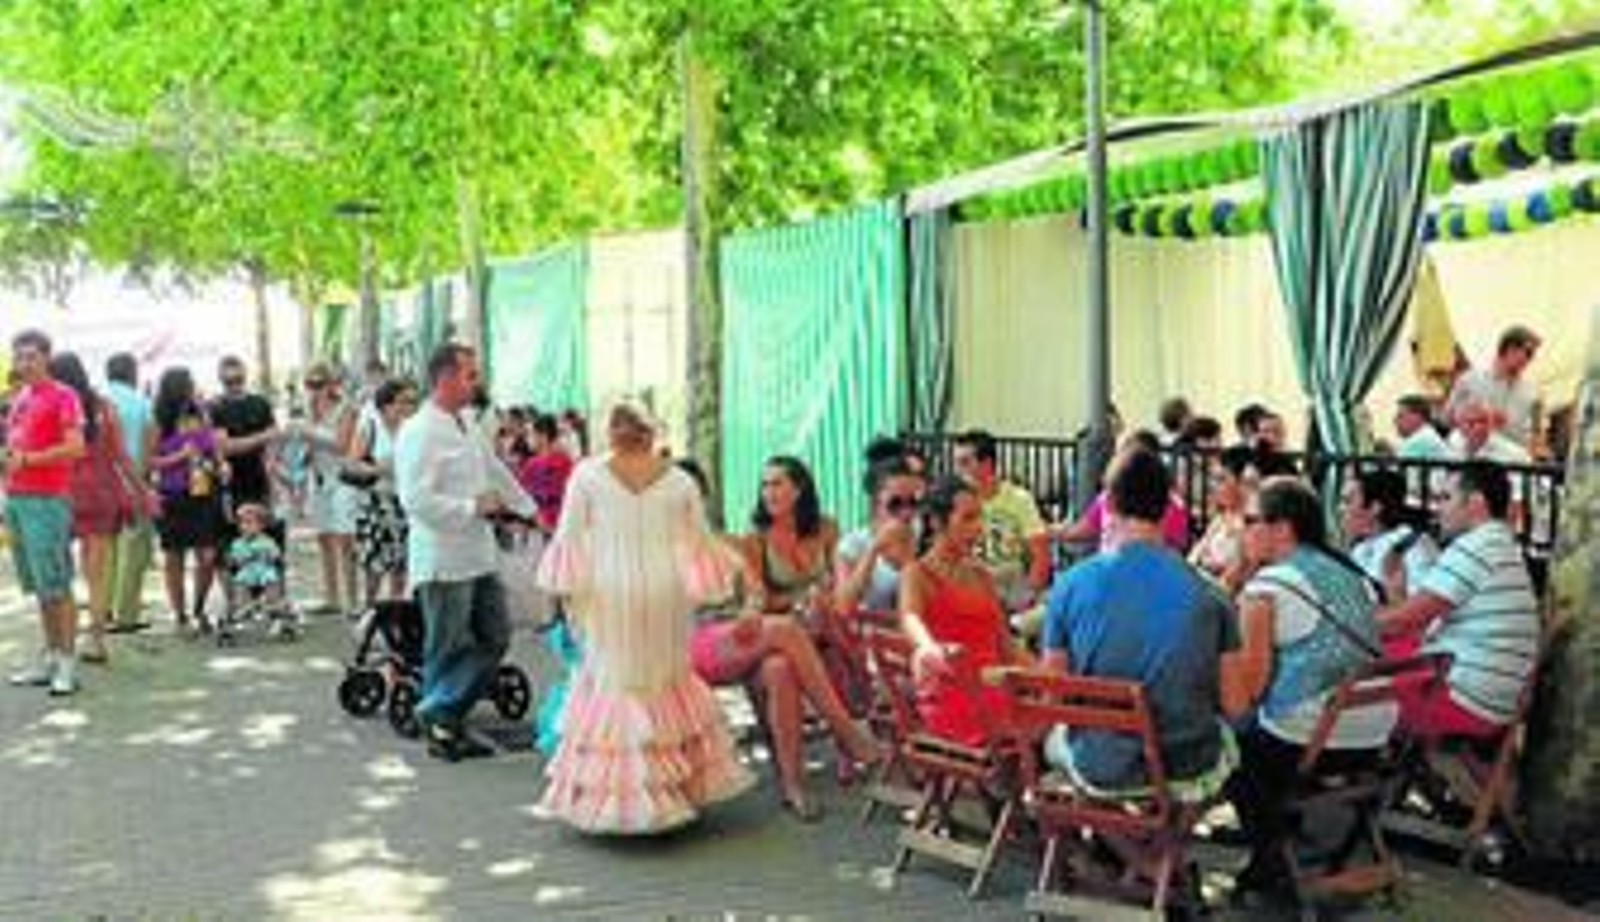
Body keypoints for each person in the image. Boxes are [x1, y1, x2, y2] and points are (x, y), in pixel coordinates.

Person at [536, 404, 754, 833]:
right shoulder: (679, 480)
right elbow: (700, 543)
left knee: (614, 683)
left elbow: (569, 538)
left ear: (611, 431)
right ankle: (671, 793)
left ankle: (620, 804)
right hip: (664, 592)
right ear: (649, 433)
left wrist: (564, 598)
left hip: (608, 593)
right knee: (665, 680)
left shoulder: (587, 475)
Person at [682, 457, 882, 822]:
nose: (689, 503)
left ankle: (793, 785)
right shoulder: (658, 549)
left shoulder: (726, 542)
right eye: (766, 485)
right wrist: (768, 608)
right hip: (690, 642)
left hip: (742, 637)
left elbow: (756, 591)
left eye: (695, 495)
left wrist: (751, 608)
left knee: (779, 668)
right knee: (786, 630)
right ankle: (849, 731)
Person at [1220, 477, 1393, 896]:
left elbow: (1250, 690)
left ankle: (1270, 854)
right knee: (1257, 736)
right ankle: (1281, 835)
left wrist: (1237, 577)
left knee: (1225, 742)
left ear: (1282, 529)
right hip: (1373, 732)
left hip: (1316, 738)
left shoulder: (1269, 588)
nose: (1242, 530)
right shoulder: (1347, 572)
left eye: (1250, 520)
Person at [1041, 449, 1237, 792]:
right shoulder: (1213, 594)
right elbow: (1234, 702)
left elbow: (1054, 696)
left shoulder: (1069, 585)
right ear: (1167, 508)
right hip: (1187, 765)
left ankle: (1106, 836)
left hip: (1101, 766)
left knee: (1054, 742)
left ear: (1109, 505)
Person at [395, 344, 534, 761]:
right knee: (446, 646)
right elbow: (414, 500)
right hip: (442, 559)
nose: (477, 382)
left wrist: (529, 510)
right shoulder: (419, 430)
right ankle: (443, 727)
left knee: (496, 635)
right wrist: (472, 508)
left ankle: (438, 709)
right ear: (445, 379)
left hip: (479, 553)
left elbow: (494, 470)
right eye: (470, 375)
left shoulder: (469, 421)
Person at [1377, 462, 1539, 740]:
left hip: (1462, 702)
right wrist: (1395, 590)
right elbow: (1413, 623)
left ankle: (1339, 768)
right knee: (1384, 650)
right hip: (1490, 702)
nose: (1437, 508)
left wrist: (1341, 619)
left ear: (1475, 502)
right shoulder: (1498, 543)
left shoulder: (1476, 547)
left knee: (1341, 674)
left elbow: (1402, 621)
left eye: (1445, 498)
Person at [900, 475, 1030, 746]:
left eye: (980, 518)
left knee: (1065, 705)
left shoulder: (980, 575)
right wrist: (930, 649)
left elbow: (1007, 645)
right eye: (968, 519)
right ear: (937, 522)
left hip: (995, 689)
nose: (978, 528)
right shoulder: (917, 574)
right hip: (956, 696)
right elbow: (910, 622)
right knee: (1063, 721)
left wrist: (1050, 678)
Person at [5, 330, 86, 696]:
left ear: (46, 357)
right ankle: (51, 656)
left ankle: (68, 664)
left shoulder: (64, 395)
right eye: (18, 357)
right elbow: (15, 445)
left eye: (30, 356)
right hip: (17, 499)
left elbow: (76, 446)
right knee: (40, 585)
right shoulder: (20, 396)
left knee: (57, 584)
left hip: (47, 500)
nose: (23, 364)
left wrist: (29, 459)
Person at [51, 352, 138, 664]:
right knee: (96, 575)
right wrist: (141, 491)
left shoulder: (55, 405)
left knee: (60, 573)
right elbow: (121, 457)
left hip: (63, 493)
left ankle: (63, 640)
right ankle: (96, 642)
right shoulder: (104, 407)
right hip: (102, 494)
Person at [150, 366, 229, 635]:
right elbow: (148, 462)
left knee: (207, 554)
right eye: (189, 383)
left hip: (203, 491)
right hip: (172, 495)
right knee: (174, 556)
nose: (194, 387)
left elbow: (214, 450)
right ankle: (180, 615)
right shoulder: (158, 421)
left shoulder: (201, 413)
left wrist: (221, 464)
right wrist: (178, 457)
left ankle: (199, 608)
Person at [951, 429, 1050, 613]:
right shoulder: (953, 501)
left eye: (964, 462)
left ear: (987, 463)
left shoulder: (1020, 499)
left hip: (1010, 587)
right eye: (956, 463)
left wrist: (1027, 597)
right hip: (967, 586)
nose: (957, 470)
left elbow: (1041, 556)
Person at [348, 378, 417, 603]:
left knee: (401, 562)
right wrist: (379, 469)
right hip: (377, 501)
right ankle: (370, 609)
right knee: (375, 563)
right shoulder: (371, 425)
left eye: (412, 402)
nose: (408, 407)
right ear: (386, 405)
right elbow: (351, 464)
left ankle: (395, 610)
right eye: (403, 402)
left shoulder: (413, 427)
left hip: (406, 502)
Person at [298, 362, 359, 613]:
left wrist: (309, 433)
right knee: (324, 538)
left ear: (332, 384)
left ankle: (353, 601)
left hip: (342, 478)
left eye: (319, 384)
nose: (315, 390)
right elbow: (308, 448)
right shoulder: (308, 409)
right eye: (310, 384)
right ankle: (332, 597)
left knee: (346, 538)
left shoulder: (347, 408)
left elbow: (342, 445)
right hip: (318, 478)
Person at [103, 352, 156, 633]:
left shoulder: (96, 398)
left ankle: (104, 609)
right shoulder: (142, 402)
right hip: (132, 481)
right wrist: (144, 482)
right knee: (133, 547)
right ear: (132, 373)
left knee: (105, 547)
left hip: (101, 485)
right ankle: (126, 614)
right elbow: (150, 445)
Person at [835, 457, 921, 616]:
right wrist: (874, 549)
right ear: (875, 503)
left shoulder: (918, 530)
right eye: (895, 503)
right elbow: (844, 607)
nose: (906, 512)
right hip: (874, 631)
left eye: (912, 502)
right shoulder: (852, 544)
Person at [1339, 468, 1438, 604]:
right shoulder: (1360, 548)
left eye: (1347, 501)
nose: (1340, 508)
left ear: (1375, 507)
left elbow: (1425, 612)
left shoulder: (1412, 547)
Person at [1444, 324, 1541, 446]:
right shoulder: (1470, 380)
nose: (1530, 359)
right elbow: (1447, 418)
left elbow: (1535, 433)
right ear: (1510, 349)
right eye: (1528, 353)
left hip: (1511, 458)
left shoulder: (1532, 392)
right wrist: (1475, 418)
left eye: (1531, 355)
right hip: (1472, 455)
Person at [209, 355, 279, 511]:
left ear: (245, 376)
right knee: (239, 530)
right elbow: (225, 447)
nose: (234, 385)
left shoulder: (261, 403)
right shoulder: (216, 407)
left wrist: (272, 475)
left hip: (261, 479)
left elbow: (273, 440)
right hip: (233, 482)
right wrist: (261, 437)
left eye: (238, 379)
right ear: (220, 380)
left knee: (264, 528)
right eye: (228, 382)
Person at [1188, 445, 1257, 594]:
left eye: (1221, 479)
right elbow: (1192, 560)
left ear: (1243, 483)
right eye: (1213, 478)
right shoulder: (1221, 517)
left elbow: (1233, 580)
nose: (1212, 486)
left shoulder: (1252, 526)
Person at [516, 412, 575, 534]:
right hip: (563, 524)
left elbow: (519, 493)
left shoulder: (532, 465)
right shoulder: (567, 462)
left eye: (532, 435)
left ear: (542, 436)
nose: (529, 439)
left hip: (539, 526)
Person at [226, 502, 284, 609]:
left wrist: (269, 557)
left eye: (249, 523)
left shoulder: (267, 541)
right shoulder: (237, 543)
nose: (245, 526)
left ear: (261, 526)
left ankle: (274, 604)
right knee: (240, 581)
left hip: (264, 569)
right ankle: (243, 606)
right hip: (247, 570)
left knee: (271, 579)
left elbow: (276, 556)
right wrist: (239, 560)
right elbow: (234, 561)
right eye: (242, 523)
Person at [1393, 395, 1450, 461]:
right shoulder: (1426, 435)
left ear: (1416, 417)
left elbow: (1397, 468)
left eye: (1400, 416)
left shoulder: (1420, 440)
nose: (1395, 421)